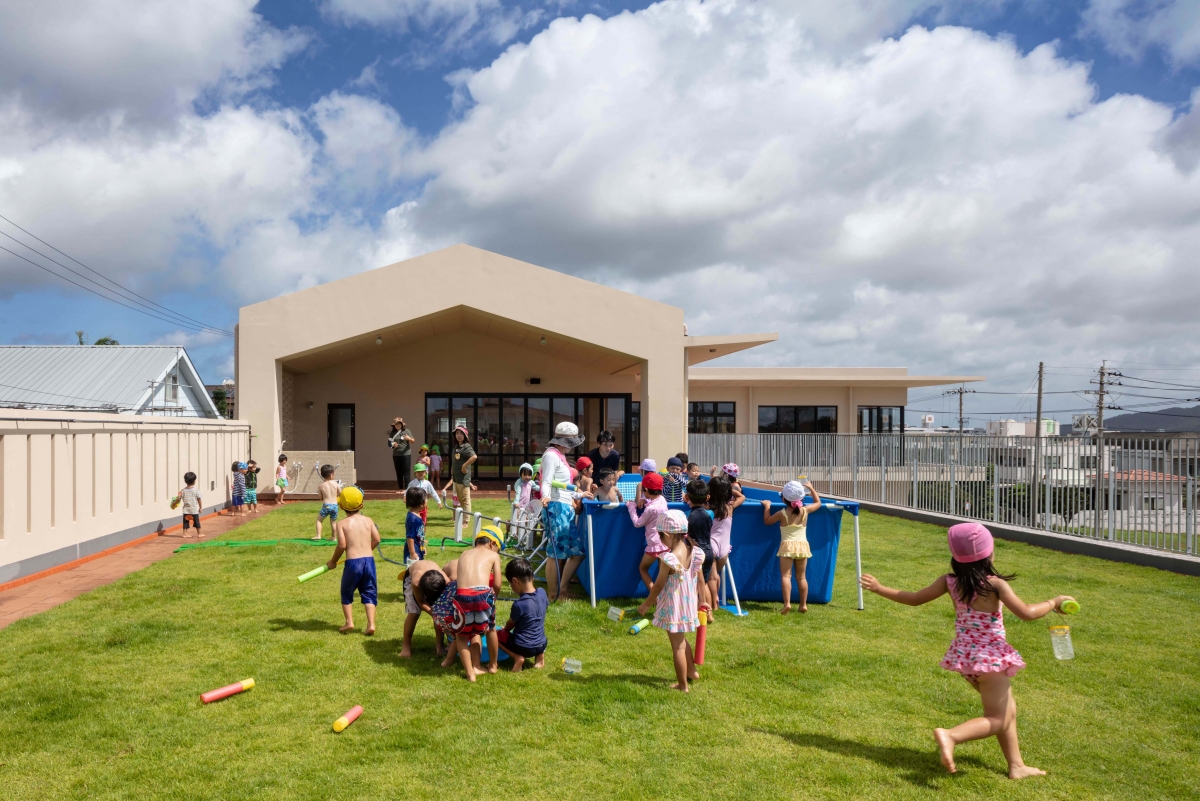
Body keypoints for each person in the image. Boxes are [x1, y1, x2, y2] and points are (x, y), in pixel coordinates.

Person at [860, 523, 1075, 780]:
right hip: (991, 661)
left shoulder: (950, 582)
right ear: (989, 555)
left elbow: (915, 598)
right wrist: (1053, 602)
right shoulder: (995, 585)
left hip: (966, 660)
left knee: (1008, 711)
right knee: (999, 718)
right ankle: (951, 735)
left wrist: (880, 588)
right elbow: (1027, 613)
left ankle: (1016, 765)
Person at [636, 509, 703, 692]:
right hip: (687, 603)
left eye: (660, 536)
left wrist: (646, 605)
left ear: (666, 534)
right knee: (682, 640)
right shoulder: (693, 550)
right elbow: (700, 578)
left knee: (678, 646)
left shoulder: (669, 559)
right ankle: (692, 672)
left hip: (674, 606)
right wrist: (702, 600)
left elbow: (657, 586)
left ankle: (682, 685)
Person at [435, 526, 504, 681]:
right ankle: (493, 666)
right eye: (498, 548)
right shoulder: (493, 556)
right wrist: (495, 595)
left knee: (461, 636)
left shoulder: (464, 554)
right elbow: (498, 583)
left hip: (462, 595)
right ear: (492, 543)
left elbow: (461, 580)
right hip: (483, 594)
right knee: (490, 630)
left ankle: (470, 674)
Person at [540, 422, 592, 601]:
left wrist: (579, 493)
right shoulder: (551, 456)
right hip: (556, 507)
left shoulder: (559, 456)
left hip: (566, 507)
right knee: (555, 553)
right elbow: (546, 481)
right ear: (564, 441)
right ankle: (554, 594)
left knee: (578, 552)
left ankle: (562, 590)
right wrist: (545, 497)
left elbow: (561, 484)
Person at [325, 485, 380, 634]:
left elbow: (342, 545)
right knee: (369, 591)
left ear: (341, 506)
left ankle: (349, 622)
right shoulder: (368, 520)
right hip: (369, 561)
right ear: (361, 504)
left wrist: (333, 562)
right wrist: (367, 550)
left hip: (353, 563)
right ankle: (371, 624)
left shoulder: (342, 524)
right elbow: (377, 539)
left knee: (346, 592)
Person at [761, 480, 822, 614]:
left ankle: (787, 603)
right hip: (802, 547)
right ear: (801, 498)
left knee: (786, 576)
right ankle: (803, 604)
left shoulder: (781, 514)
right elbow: (818, 503)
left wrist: (767, 506)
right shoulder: (805, 511)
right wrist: (811, 489)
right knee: (801, 577)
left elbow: (767, 521)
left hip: (787, 547)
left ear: (784, 499)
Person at [498, 557, 548, 672]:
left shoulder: (519, 604)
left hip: (523, 648)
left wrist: (504, 630)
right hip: (542, 644)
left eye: (511, 584)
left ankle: (517, 658)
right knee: (537, 633)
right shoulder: (542, 592)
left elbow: (511, 624)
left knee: (495, 635)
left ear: (515, 581)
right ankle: (539, 658)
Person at [628, 472, 668, 593]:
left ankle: (655, 596)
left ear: (645, 490)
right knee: (663, 574)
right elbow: (652, 500)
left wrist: (631, 507)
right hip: (665, 543)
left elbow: (637, 523)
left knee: (643, 569)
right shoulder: (662, 499)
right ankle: (665, 597)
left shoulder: (651, 509)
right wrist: (644, 499)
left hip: (654, 544)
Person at [707, 474, 742, 606]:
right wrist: (728, 489)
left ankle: (714, 600)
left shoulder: (707, 507)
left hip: (711, 545)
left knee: (711, 576)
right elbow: (741, 496)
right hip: (724, 548)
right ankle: (717, 598)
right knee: (717, 575)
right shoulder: (730, 507)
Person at [401, 560, 448, 659]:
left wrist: (439, 613)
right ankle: (406, 646)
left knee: (438, 611)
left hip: (434, 579)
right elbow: (421, 602)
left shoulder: (446, 581)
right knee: (413, 613)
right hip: (410, 577)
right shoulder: (415, 582)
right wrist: (434, 613)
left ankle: (440, 647)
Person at [685, 479, 716, 616]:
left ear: (686, 497)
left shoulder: (686, 516)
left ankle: (693, 611)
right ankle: (708, 614)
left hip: (694, 553)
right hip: (708, 552)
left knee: (694, 583)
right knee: (703, 583)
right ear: (707, 497)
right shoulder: (710, 514)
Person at [451, 425, 477, 514]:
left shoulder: (466, 446)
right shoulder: (456, 447)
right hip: (456, 478)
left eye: (461, 433)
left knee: (465, 499)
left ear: (465, 435)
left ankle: (466, 521)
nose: (459, 435)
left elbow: (474, 457)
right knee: (460, 499)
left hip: (463, 478)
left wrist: (464, 466)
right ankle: (462, 518)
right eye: (457, 433)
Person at [314, 464, 339, 540]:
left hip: (326, 505)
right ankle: (334, 537)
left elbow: (320, 497)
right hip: (335, 505)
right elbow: (340, 492)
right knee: (333, 522)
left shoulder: (321, 486)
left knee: (319, 520)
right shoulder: (335, 483)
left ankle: (318, 535)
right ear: (331, 475)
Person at [389, 417, 415, 490]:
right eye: (396, 424)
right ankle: (400, 489)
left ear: (402, 424)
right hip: (396, 455)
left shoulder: (407, 431)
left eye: (399, 424)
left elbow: (413, 441)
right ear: (394, 425)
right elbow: (389, 443)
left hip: (406, 454)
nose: (398, 425)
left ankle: (407, 490)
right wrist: (393, 444)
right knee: (399, 473)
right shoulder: (393, 433)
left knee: (406, 473)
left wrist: (408, 438)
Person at [404, 487, 427, 562]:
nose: (427, 501)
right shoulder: (412, 519)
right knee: (414, 572)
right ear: (420, 503)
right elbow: (410, 537)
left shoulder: (417, 514)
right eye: (426, 499)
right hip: (413, 552)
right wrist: (412, 553)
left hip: (418, 548)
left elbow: (419, 534)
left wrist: (422, 547)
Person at [177, 471, 202, 537]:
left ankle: (184, 534)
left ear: (185, 481)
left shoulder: (183, 490)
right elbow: (199, 499)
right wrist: (200, 507)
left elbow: (178, 499)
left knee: (185, 522)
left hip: (186, 509)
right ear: (194, 481)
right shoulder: (196, 490)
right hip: (193, 509)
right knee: (196, 521)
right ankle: (199, 533)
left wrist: (176, 500)